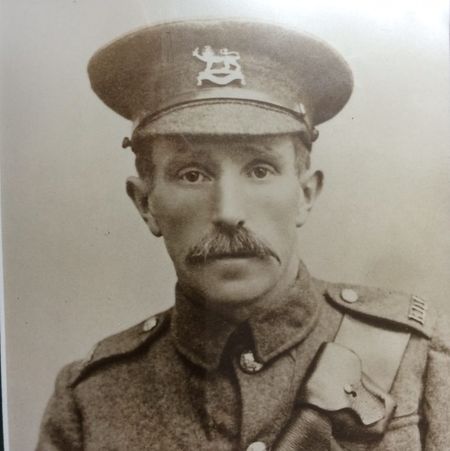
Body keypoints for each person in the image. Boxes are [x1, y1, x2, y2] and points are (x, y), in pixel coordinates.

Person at [37, 19, 450, 451]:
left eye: (259, 170)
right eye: (192, 174)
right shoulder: (91, 397)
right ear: (145, 203)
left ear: (306, 194)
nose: (229, 212)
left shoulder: (421, 359)